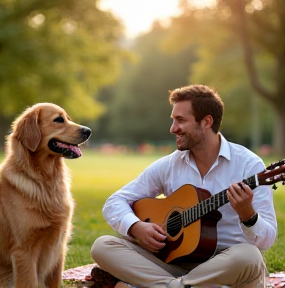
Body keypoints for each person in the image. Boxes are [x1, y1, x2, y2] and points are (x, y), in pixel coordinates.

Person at [91, 84, 277, 288]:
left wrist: (248, 215)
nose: (172, 129)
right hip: (173, 264)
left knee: (249, 256)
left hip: (225, 267)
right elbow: (114, 202)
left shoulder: (249, 165)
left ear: (206, 121)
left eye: (180, 120)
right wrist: (136, 227)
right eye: (173, 121)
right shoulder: (170, 164)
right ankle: (180, 286)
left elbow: (266, 241)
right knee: (103, 246)